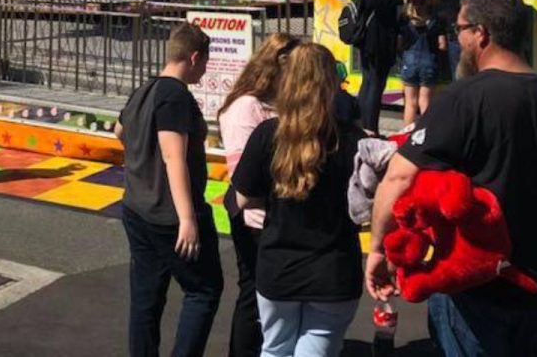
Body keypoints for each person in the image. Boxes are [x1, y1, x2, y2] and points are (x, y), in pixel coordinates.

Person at [367, 0, 537, 356]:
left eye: (460, 30)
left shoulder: (463, 98)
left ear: (481, 33)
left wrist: (377, 249)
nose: (457, 39)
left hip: (475, 289)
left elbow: (399, 177)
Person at [232, 42, 364, 356]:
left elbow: (240, 199)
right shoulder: (352, 140)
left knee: (274, 349)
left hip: (279, 269)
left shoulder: (267, 135)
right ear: (332, 83)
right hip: (334, 272)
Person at [115, 22, 222, 357]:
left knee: (146, 295)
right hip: (168, 215)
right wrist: (187, 218)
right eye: (204, 63)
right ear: (193, 57)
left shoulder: (143, 91)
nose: (204, 71)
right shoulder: (175, 97)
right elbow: (174, 156)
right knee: (204, 290)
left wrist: (140, 159)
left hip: (137, 207)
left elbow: (119, 130)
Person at [218, 32, 299, 357]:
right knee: (253, 294)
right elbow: (245, 175)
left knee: (271, 296)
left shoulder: (273, 104)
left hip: (275, 214)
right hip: (254, 217)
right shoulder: (247, 107)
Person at [357, 0, 407, 134]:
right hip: (378, 37)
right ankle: (370, 127)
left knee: (369, 81)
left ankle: (363, 124)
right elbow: (373, 1)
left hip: (370, 36)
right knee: (375, 84)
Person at [398, 0, 440, 127]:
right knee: (425, 102)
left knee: (410, 103)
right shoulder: (435, 21)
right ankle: (425, 133)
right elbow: (442, 45)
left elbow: (400, 42)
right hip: (429, 62)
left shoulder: (405, 19)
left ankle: (406, 135)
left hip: (409, 62)